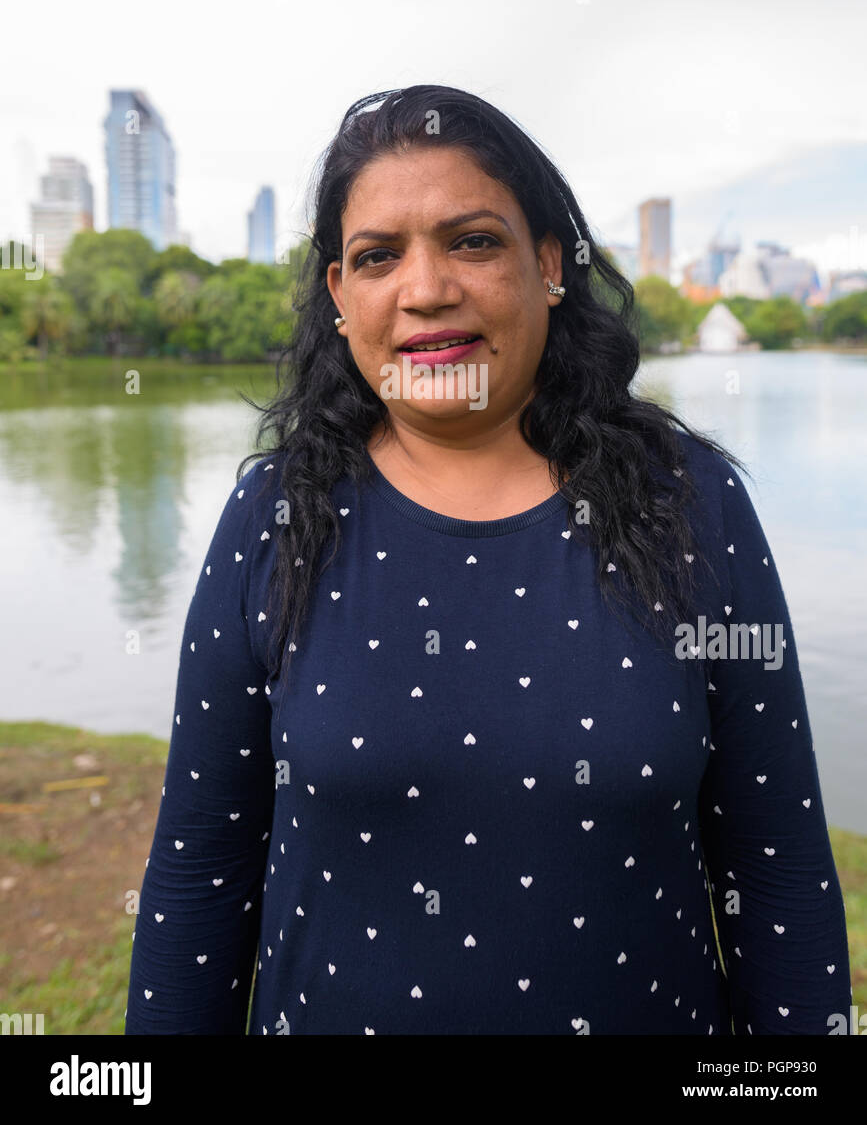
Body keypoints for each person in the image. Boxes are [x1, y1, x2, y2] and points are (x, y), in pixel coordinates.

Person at [125, 84, 850, 1035]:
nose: (425, 289)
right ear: (342, 298)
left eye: (471, 240)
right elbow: (199, 871)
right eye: (377, 256)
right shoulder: (274, 518)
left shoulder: (692, 505)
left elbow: (776, 864)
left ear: (548, 264)